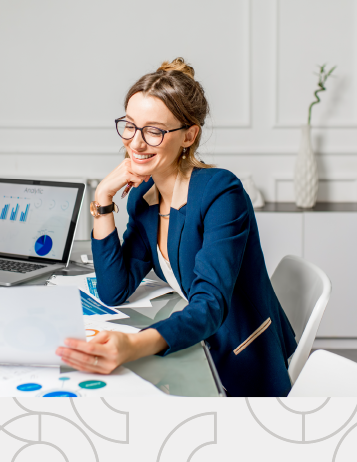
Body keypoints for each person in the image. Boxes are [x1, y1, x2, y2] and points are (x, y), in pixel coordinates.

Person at [57, 58, 298, 397]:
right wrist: (103, 198)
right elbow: (115, 289)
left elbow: (209, 304)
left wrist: (134, 345)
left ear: (189, 135)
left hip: (239, 361)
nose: (137, 143)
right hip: (194, 347)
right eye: (130, 125)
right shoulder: (144, 197)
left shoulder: (221, 193)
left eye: (154, 131)